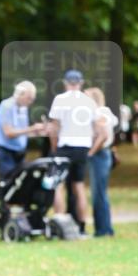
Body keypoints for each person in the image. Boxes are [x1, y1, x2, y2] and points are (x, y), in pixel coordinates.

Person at [49, 69, 98, 237]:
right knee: (79, 186)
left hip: (65, 145)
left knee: (58, 185)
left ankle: (59, 223)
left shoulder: (60, 100)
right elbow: (95, 127)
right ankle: (82, 226)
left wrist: (54, 148)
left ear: (65, 83)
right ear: (81, 83)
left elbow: (55, 127)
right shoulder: (89, 101)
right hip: (82, 146)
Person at [85, 87, 118, 237]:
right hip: (102, 155)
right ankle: (103, 228)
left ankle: (103, 229)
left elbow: (103, 136)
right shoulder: (103, 113)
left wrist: (90, 152)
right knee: (98, 193)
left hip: (100, 155)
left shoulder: (100, 113)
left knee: (99, 193)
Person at [0, 81, 45, 180]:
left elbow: (21, 132)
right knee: (9, 183)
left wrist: (38, 132)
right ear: (20, 94)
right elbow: (8, 133)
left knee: (21, 184)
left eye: (32, 99)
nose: (30, 102)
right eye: (29, 98)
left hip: (20, 153)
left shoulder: (23, 108)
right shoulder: (6, 106)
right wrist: (32, 128)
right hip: (7, 153)